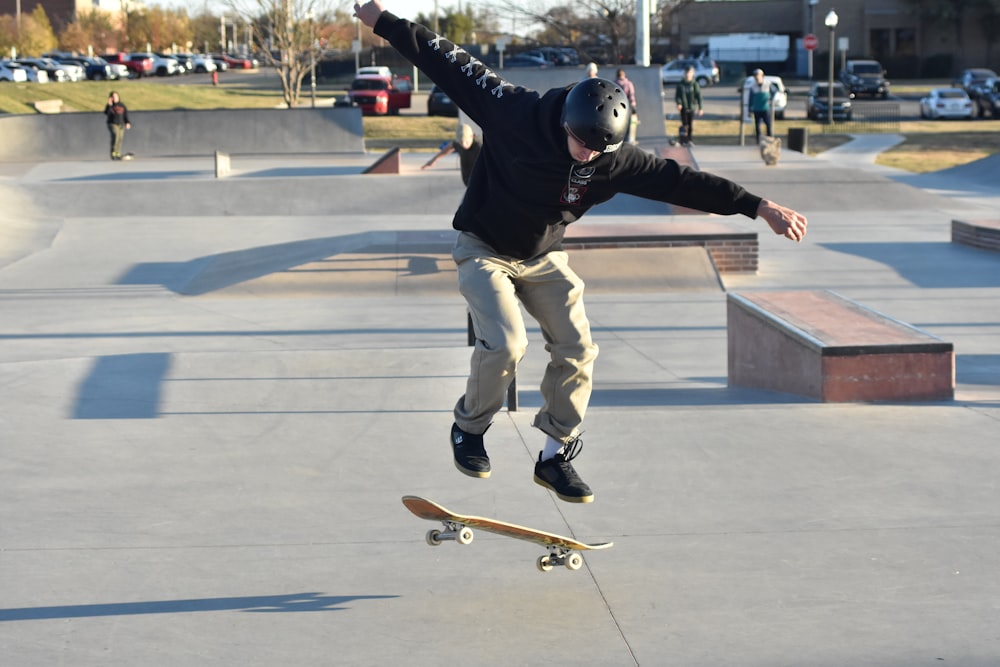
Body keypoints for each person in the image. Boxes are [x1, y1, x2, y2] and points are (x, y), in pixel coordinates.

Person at [354, 0, 808, 503]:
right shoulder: (512, 110)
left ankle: (553, 457)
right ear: (565, 122)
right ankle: (469, 428)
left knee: (578, 348)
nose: (589, 156)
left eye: (599, 151)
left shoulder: (614, 160)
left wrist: (757, 206)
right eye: (582, 146)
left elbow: (683, 182)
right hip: (483, 247)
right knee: (507, 345)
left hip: (544, 257)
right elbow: (447, 59)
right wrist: (383, 20)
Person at [674, 66, 703, 146]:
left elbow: (698, 96)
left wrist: (700, 108)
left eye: (689, 73)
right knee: (684, 124)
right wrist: (679, 103)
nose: (688, 75)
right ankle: (683, 140)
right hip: (683, 107)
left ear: (692, 74)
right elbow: (678, 96)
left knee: (690, 124)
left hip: (691, 107)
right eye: (686, 73)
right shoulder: (681, 84)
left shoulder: (694, 84)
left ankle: (690, 140)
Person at [746, 69, 774, 143]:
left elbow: (774, 91)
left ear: (762, 76)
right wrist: (749, 109)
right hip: (757, 108)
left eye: (758, 75)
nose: (757, 77)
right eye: (755, 76)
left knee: (768, 124)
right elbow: (750, 99)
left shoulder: (768, 84)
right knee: (757, 126)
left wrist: (771, 99)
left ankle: (770, 139)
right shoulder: (753, 86)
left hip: (765, 108)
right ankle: (758, 141)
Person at [614, 68, 638, 145]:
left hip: (616, 106)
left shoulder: (614, 83)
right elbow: (631, 95)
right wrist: (633, 105)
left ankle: (618, 139)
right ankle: (626, 140)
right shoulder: (628, 83)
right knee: (627, 124)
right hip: (626, 106)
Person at [104, 91, 131, 161]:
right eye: (113, 97)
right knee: (115, 135)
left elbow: (125, 115)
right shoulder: (110, 106)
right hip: (112, 123)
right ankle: (113, 152)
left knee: (120, 138)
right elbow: (106, 113)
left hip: (121, 124)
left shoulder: (122, 105)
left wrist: (127, 122)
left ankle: (118, 153)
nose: (115, 98)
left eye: (116, 96)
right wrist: (109, 104)